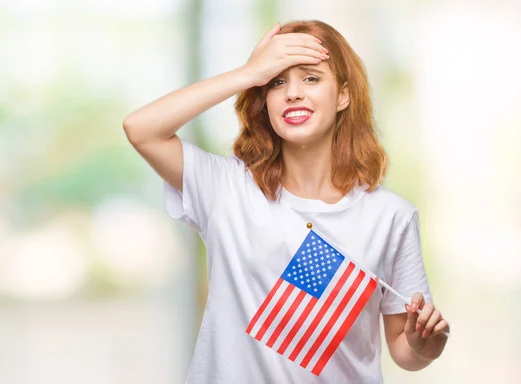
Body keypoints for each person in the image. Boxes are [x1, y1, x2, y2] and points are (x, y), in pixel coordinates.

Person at [123, 19, 449, 384]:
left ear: (343, 95)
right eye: (277, 81)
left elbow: (404, 350)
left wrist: (425, 345)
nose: (293, 93)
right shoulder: (225, 188)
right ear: (264, 98)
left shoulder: (391, 217)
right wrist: (249, 73)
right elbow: (141, 128)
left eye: (311, 78)